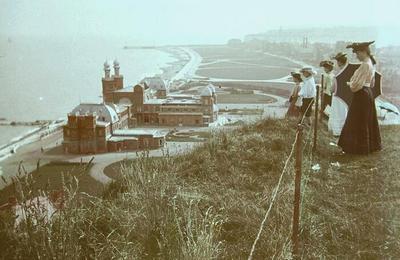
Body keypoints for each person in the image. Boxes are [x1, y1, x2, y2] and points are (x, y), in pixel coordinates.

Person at [338, 41, 381, 154]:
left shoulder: (365, 65)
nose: (356, 56)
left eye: (357, 53)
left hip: (361, 94)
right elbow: (372, 83)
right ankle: (368, 146)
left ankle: (357, 148)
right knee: (366, 119)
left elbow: (356, 85)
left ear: (363, 52)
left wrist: (350, 84)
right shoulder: (370, 62)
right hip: (368, 93)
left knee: (357, 119)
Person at [328, 52, 349, 136]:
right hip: (345, 96)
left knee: (337, 113)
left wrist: (330, 90)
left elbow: (332, 89)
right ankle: (344, 130)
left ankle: (337, 131)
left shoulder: (338, 74)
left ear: (339, 62)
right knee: (344, 112)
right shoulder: (349, 72)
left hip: (337, 97)